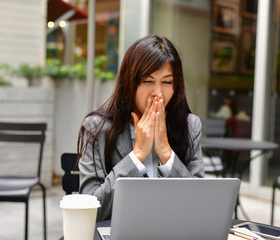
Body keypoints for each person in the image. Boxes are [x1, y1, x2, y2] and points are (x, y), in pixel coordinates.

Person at [77, 35, 204, 221]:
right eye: (148, 81)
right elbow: (89, 210)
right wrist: (137, 155)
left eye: (167, 82)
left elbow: (201, 206)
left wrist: (167, 154)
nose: (158, 92)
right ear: (130, 83)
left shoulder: (190, 126)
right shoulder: (97, 128)